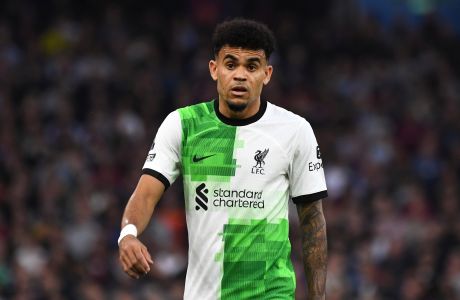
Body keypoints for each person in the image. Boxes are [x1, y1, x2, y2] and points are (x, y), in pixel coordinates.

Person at [118, 18, 328, 299]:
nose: (240, 75)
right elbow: (145, 195)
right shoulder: (183, 125)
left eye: (251, 66)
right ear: (214, 69)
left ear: (267, 74)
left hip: (270, 293)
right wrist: (128, 234)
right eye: (231, 64)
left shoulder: (295, 131)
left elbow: (312, 220)